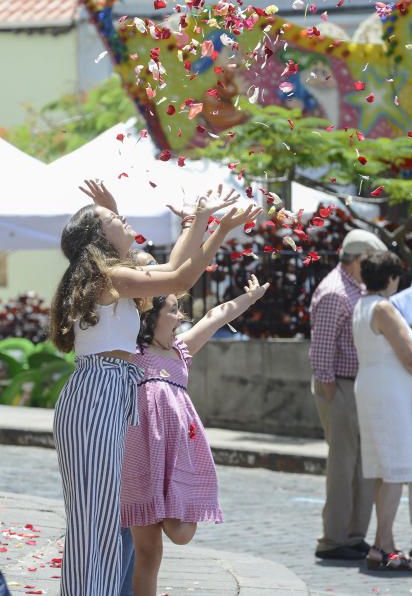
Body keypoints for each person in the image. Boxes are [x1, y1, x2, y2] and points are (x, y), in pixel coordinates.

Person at [50, 182, 261, 596]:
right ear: (99, 239)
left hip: (111, 392)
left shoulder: (111, 275)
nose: (124, 220)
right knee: (93, 523)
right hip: (97, 392)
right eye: (115, 220)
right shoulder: (106, 277)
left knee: (108, 522)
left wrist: (206, 224)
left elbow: (170, 275)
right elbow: (178, 276)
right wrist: (208, 224)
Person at [120, 274, 268, 596]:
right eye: (173, 310)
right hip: (141, 455)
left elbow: (216, 317)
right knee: (148, 554)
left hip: (179, 453)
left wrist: (250, 299)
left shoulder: (181, 350)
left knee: (181, 532)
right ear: (151, 315)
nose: (180, 317)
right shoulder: (131, 352)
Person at [309, 228, 387, 561]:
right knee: (343, 464)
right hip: (339, 385)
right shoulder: (335, 292)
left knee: (361, 465)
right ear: (355, 259)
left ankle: (354, 534)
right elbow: (322, 350)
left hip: (353, 384)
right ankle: (335, 537)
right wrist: (330, 390)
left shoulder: (353, 287)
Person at [353, 251, 412, 570]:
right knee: (397, 470)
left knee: (386, 469)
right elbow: (409, 355)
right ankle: (382, 544)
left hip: (372, 386)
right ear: (391, 278)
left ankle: (383, 543)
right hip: (392, 392)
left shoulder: (361, 306)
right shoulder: (385, 308)